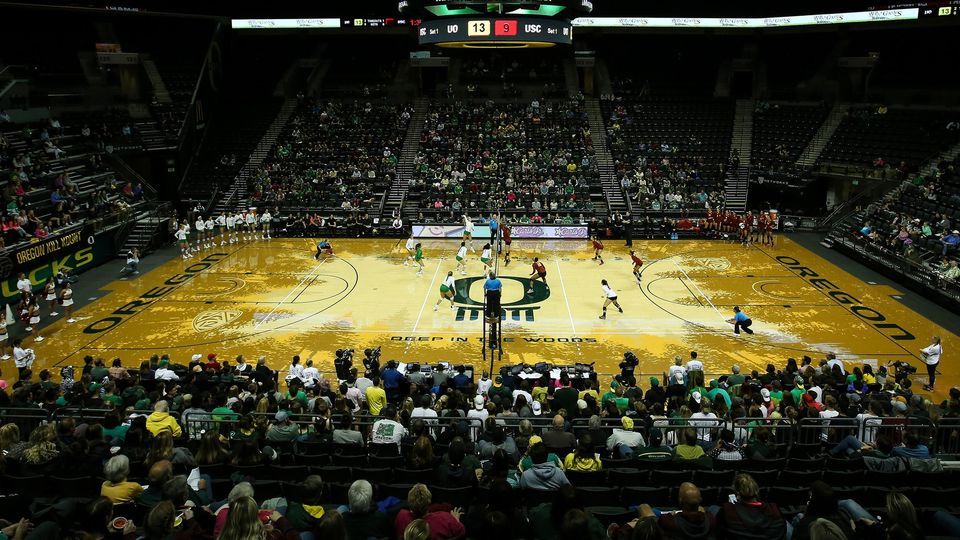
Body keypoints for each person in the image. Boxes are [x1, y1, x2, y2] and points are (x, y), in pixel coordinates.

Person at [717, 473, 787, 539]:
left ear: (737, 493)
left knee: (713, 508)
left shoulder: (727, 510)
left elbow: (719, 529)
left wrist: (731, 507)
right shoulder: (774, 509)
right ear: (756, 490)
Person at [395, 484, 465, 540]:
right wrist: (456, 519)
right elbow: (461, 532)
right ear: (429, 502)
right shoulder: (445, 518)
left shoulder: (401, 516)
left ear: (409, 502)